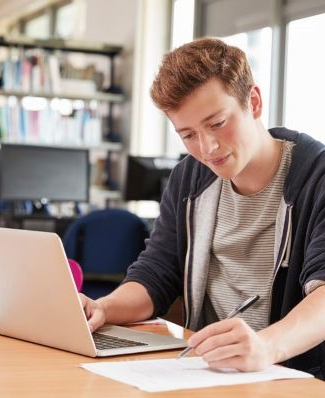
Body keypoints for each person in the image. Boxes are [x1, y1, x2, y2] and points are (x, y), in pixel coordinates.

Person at [81, 37, 325, 378]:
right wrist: (101, 308)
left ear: (253, 102)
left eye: (217, 124)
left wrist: (267, 346)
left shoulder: (317, 177)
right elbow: (156, 274)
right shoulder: (190, 178)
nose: (207, 148)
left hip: (291, 376)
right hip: (205, 372)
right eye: (188, 135)